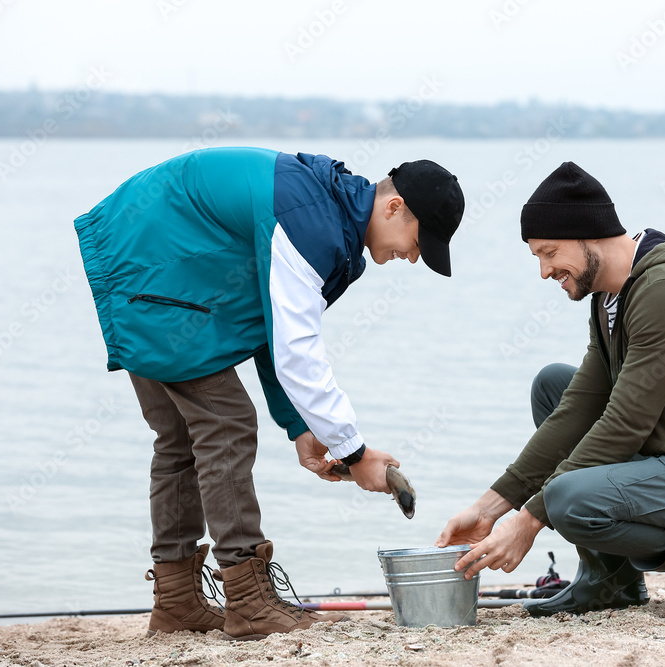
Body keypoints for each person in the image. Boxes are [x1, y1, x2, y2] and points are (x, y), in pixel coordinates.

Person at [73, 147, 464, 639]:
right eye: (417, 242)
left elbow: (272, 327)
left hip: (141, 249)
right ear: (393, 207)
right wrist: (354, 451)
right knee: (225, 422)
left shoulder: (323, 216)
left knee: (180, 436)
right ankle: (249, 599)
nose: (412, 256)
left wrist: (299, 425)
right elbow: (297, 352)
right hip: (154, 262)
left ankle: (176, 603)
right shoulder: (312, 224)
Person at [436, 161, 665, 616]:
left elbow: (626, 423)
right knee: (553, 387)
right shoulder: (610, 296)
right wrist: (491, 507)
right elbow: (579, 408)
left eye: (549, 253)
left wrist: (529, 521)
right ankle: (610, 580)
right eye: (537, 257)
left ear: (588, 234)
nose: (544, 270)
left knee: (568, 500)